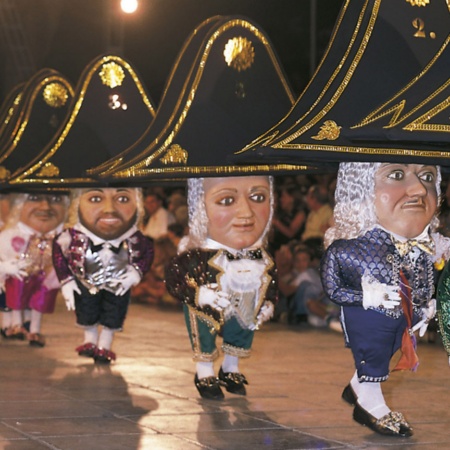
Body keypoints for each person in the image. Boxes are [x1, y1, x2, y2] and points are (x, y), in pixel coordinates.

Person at [321, 162, 450, 437]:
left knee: (390, 349)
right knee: (374, 351)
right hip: (368, 318)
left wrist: (425, 306)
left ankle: (357, 386)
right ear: (360, 188)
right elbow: (333, 290)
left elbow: (423, 280)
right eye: (396, 175)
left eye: (428, 177)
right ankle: (369, 401)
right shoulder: (347, 250)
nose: (418, 189)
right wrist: (367, 295)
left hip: (405, 320)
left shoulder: (426, 245)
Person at [166, 176, 278, 400]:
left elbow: (270, 280)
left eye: (258, 197)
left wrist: (269, 302)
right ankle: (204, 371)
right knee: (204, 330)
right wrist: (200, 294)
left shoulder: (261, 256)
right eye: (227, 201)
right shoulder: (197, 255)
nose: (246, 213)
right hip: (207, 306)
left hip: (245, 301)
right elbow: (174, 278)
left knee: (243, 325)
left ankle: (231, 368)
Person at [52, 187, 154, 364]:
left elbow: (148, 253)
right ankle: (90, 341)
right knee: (86, 310)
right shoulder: (72, 235)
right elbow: (58, 253)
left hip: (119, 284)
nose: (109, 209)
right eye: (95, 199)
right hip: (86, 282)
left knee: (114, 313)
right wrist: (66, 280)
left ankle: (104, 346)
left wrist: (136, 273)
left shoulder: (136, 237)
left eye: (122, 199)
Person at [0, 191, 69, 346]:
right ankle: (16, 324)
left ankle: (34, 330)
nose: (45, 206)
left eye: (55, 199)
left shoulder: (63, 238)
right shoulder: (10, 236)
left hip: (46, 277)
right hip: (21, 274)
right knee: (15, 295)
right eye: (34, 198)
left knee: (41, 301)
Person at [270, 183, 306, 252]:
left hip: (292, 247)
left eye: (284, 196)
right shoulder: (282, 213)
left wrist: (276, 222)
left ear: (291, 198)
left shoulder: (300, 213)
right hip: (277, 245)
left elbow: (291, 233)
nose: (281, 199)